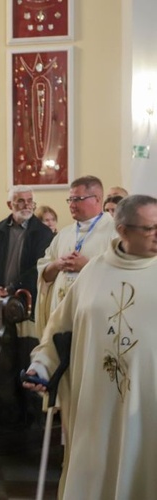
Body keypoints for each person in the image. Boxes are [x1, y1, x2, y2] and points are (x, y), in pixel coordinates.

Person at [24, 195, 157, 499]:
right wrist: (41, 366)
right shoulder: (94, 272)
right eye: (150, 228)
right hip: (95, 405)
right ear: (122, 231)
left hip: (148, 405)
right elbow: (59, 329)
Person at [35, 176, 116, 340]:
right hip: (60, 318)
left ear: (97, 199)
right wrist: (57, 264)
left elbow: (121, 277)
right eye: (70, 199)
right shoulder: (63, 234)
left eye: (78, 199)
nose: (72, 205)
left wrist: (87, 266)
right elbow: (45, 275)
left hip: (93, 321)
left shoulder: (115, 233)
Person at [0, 186, 53, 317]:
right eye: (21, 201)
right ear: (9, 204)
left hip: (27, 300)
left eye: (30, 201)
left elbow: (39, 267)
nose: (27, 205)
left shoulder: (43, 233)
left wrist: (12, 288)